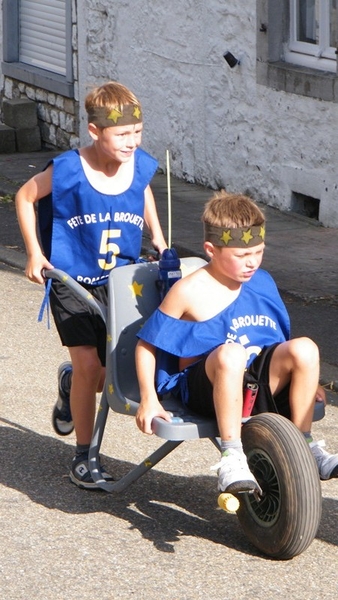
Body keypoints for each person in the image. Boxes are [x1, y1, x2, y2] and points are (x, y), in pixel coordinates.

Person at [16, 81, 167, 489]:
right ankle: (84, 455)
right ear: (95, 131)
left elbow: (144, 191)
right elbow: (25, 196)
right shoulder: (67, 169)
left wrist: (158, 235)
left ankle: (70, 385)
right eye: (122, 134)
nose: (131, 142)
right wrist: (34, 253)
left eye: (137, 133)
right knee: (89, 365)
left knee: (110, 374)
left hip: (121, 282)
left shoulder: (138, 163)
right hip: (73, 280)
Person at [135, 190, 338, 494]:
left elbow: (277, 341)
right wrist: (148, 398)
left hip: (253, 385)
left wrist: (304, 376)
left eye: (258, 252)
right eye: (242, 256)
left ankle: (304, 443)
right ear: (210, 250)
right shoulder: (189, 290)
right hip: (206, 387)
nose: (252, 262)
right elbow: (147, 345)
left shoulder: (263, 281)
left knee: (305, 347)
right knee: (231, 354)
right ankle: (232, 454)